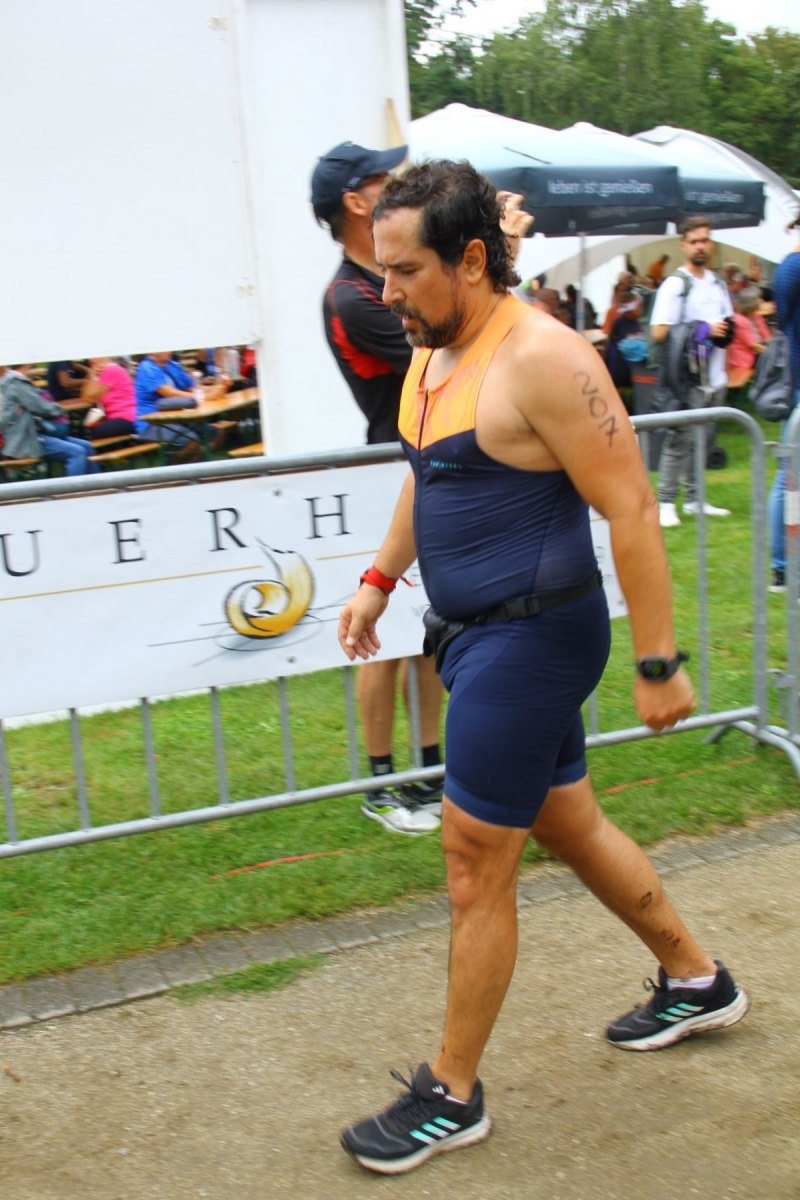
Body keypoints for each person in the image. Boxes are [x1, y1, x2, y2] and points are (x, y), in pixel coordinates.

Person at [335, 160, 749, 1176]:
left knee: (473, 860)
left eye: (406, 271)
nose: (387, 293)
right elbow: (425, 477)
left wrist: (659, 659)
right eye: (381, 270)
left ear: (471, 259)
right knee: (568, 821)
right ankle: (696, 980)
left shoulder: (545, 359)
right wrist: (378, 581)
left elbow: (630, 506)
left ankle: (450, 1093)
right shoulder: (433, 352)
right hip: (468, 636)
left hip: (533, 641)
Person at [650, 217, 734, 528]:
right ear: (683, 245)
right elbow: (659, 332)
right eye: (695, 241)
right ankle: (666, 502)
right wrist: (703, 329)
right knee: (680, 440)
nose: (701, 246)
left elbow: (726, 323)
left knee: (704, 441)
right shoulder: (676, 284)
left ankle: (695, 499)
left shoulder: (717, 283)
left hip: (715, 376)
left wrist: (724, 333)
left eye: (705, 240)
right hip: (686, 380)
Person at [768, 211, 800, 592]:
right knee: (790, 477)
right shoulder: (793, 267)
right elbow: (785, 322)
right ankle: (783, 567)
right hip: (797, 386)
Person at [0, 363, 100, 475]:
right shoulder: (16, 382)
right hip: (26, 439)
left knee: (86, 446)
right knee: (77, 452)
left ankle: (97, 485)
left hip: (30, 434)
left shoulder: (10, 381)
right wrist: (60, 410)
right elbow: (41, 407)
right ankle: (74, 487)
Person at [726, 286, 771, 393]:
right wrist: (772, 353)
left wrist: (773, 347)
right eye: (758, 299)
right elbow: (753, 345)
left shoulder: (756, 316)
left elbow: (767, 337)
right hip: (742, 361)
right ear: (751, 303)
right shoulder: (740, 320)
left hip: (754, 355)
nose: (761, 301)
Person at [81, 357, 137, 439]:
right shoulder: (101, 373)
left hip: (128, 417)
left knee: (93, 431)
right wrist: (92, 376)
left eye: (93, 357)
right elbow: (86, 398)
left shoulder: (111, 370)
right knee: (89, 429)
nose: (90, 360)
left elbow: (92, 398)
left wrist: (92, 375)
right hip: (118, 417)